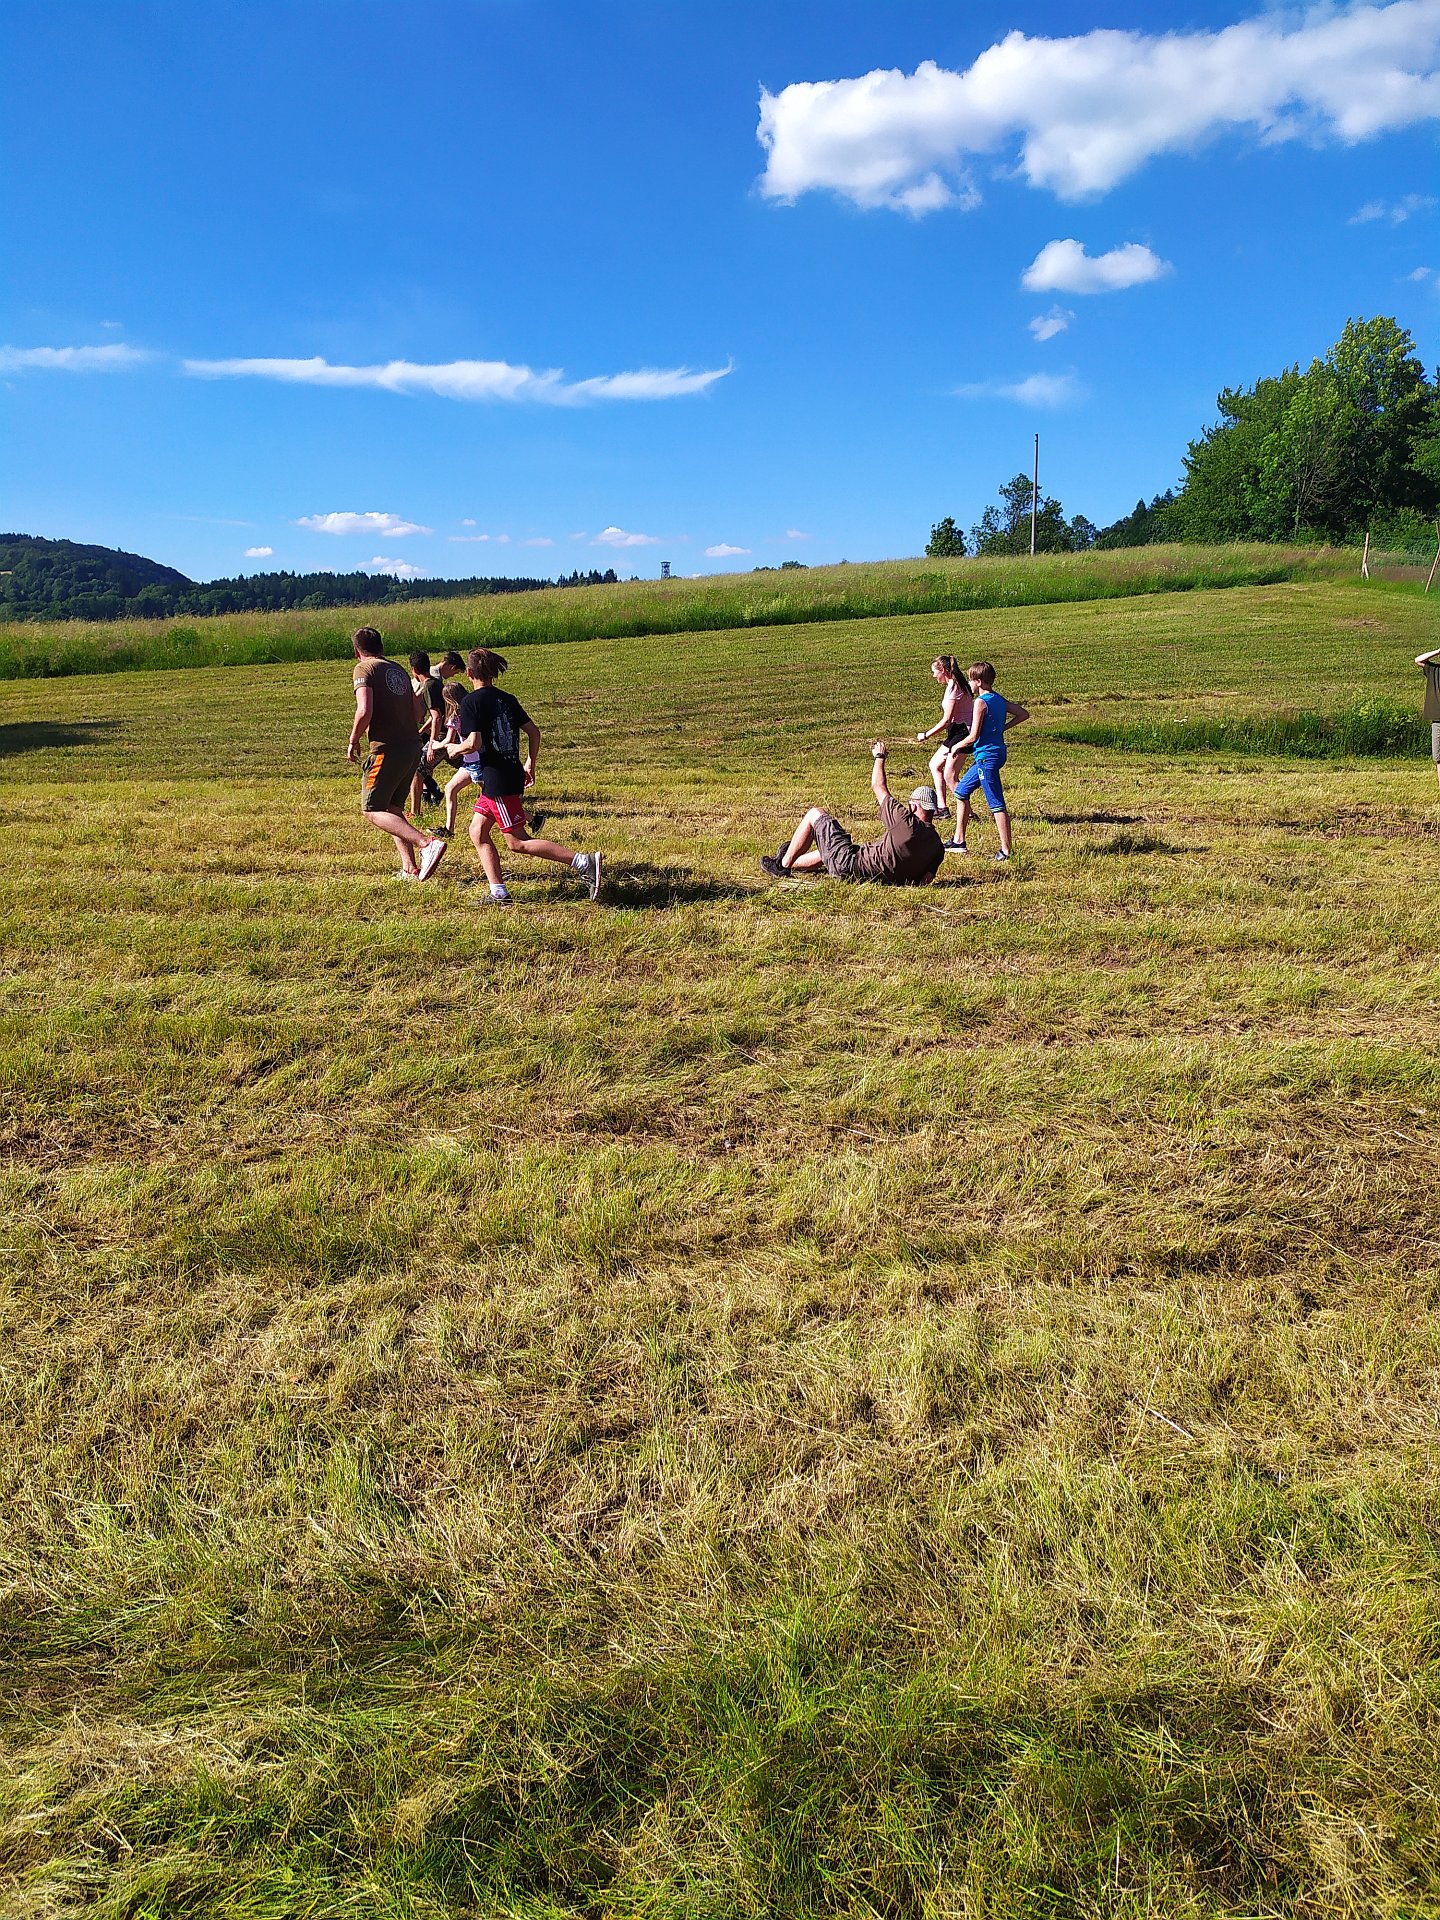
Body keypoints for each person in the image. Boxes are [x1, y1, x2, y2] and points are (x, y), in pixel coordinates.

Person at [454, 647, 602, 906]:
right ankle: (499, 893)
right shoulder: (507, 699)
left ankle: (582, 861)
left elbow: (473, 743)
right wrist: (530, 762)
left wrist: (453, 749)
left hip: (498, 780)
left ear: (469, 673)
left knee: (517, 842)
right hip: (506, 774)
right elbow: (534, 732)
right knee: (477, 831)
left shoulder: (470, 702)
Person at [760, 741, 944, 885]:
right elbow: (925, 880)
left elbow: (878, 786)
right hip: (870, 876)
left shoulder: (906, 822)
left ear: (913, 806)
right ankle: (790, 858)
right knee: (832, 850)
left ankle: (781, 866)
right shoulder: (937, 847)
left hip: (849, 866)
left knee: (815, 814)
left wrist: (879, 756)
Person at [346, 627, 447, 881]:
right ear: (381, 646)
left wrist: (353, 739)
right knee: (392, 808)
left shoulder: (364, 669)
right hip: (411, 746)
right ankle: (409, 868)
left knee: (371, 809)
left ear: (357, 651)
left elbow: (364, 710)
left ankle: (426, 843)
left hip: (386, 748)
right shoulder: (399, 669)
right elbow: (417, 711)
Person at [947, 660, 1028, 862]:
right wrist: (1002, 728)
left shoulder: (980, 702)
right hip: (996, 753)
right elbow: (1023, 714)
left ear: (979, 681)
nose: (969, 684)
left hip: (986, 757)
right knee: (961, 791)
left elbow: (973, 736)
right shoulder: (998, 699)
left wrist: (956, 747)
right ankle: (958, 841)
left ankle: (1006, 851)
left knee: (996, 803)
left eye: (971, 680)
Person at [914, 654, 973, 817]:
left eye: (935, 671)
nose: (933, 675)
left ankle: (968, 813)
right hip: (957, 730)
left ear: (944, 670)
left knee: (950, 776)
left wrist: (926, 735)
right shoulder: (955, 684)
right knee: (935, 765)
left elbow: (947, 720)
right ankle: (942, 808)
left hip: (962, 733)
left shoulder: (955, 687)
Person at [407, 650, 447, 811]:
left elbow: (437, 718)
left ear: (414, 670)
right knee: (471, 768)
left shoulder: (429, 686)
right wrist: (421, 731)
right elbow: (435, 715)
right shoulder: (434, 683)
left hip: (444, 736)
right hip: (450, 735)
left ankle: (414, 812)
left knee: (417, 770)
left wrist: (432, 744)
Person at [1418, 645, 1440, 795]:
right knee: (1438, 757)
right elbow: (1418, 660)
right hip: (1437, 720)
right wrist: (1437, 651)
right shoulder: (1434, 670)